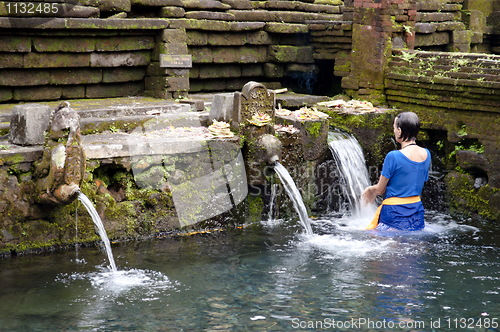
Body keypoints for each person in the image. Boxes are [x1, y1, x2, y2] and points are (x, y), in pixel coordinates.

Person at [361, 112, 431, 231]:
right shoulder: (426, 154)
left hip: (394, 211)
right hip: (416, 210)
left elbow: (380, 189)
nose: (393, 131)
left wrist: (370, 190)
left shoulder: (393, 156)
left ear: (399, 131)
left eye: (394, 127)